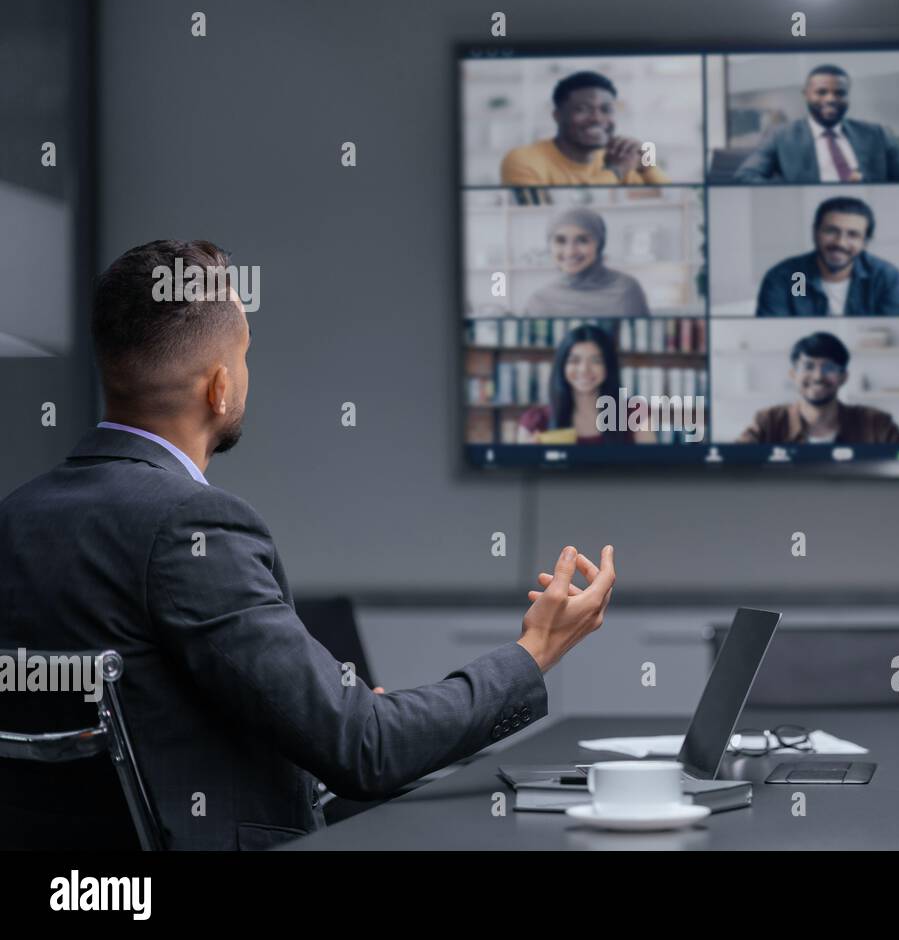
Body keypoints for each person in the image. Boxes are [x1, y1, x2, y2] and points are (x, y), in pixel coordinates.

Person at [0, 240, 616, 850]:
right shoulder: (193, 524)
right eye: (244, 357)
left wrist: (320, 723)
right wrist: (535, 650)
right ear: (219, 388)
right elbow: (366, 750)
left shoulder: (17, 516)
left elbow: (157, 724)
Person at [733, 64, 899, 183]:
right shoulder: (782, 136)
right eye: (822, 92)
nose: (831, 99)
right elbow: (746, 176)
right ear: (806, 95)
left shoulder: (875, 134)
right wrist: (788, 190)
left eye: (840, 93)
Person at [500, 71, 670, 186]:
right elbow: (544, 217)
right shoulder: (522, 159)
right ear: (557, 116)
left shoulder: (620, 157)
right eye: (583, 109)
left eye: (606, 110)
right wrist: (616, 170)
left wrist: (647, 165)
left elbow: (674, 204)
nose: (597, 118)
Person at [737, 331, 899, 444]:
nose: (818, 377)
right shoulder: (768, 422)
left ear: (844, 377)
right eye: (808, 366)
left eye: (829, 368)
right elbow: (734, 466)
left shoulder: (877, 424)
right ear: (793, 374)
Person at [756, 196, 899, 316]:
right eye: (831, 231)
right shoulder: (790, 276)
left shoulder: (884, 277)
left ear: (865, 242)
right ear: (815, 232)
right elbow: (771, 335)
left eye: (853, 235)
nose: (840, 242)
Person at [517, 324, 654, 445]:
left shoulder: (635, 413)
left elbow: (651, 471)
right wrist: (532, 462)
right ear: (562, 366)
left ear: (608, 366)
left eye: (596, 361)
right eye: (574, 361)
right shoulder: (535, 421)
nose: (584, 370)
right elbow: (521, 474)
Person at [523, 208, 650, 317]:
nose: (570, 252)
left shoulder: (626, 290)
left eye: (582, 240)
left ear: (599, 244)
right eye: (560, 241)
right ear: (549, 246)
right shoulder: (540, 301)